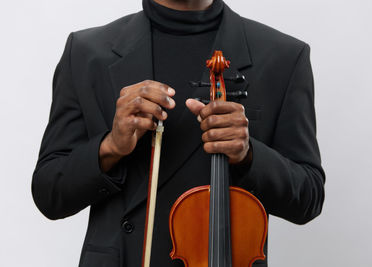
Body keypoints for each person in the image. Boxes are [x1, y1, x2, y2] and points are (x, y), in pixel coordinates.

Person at [32, 0, 325, 266]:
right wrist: (111, 146)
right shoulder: (85, 52)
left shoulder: (284, 57)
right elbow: (49, 193)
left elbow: (308, 198)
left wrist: (249, 155)